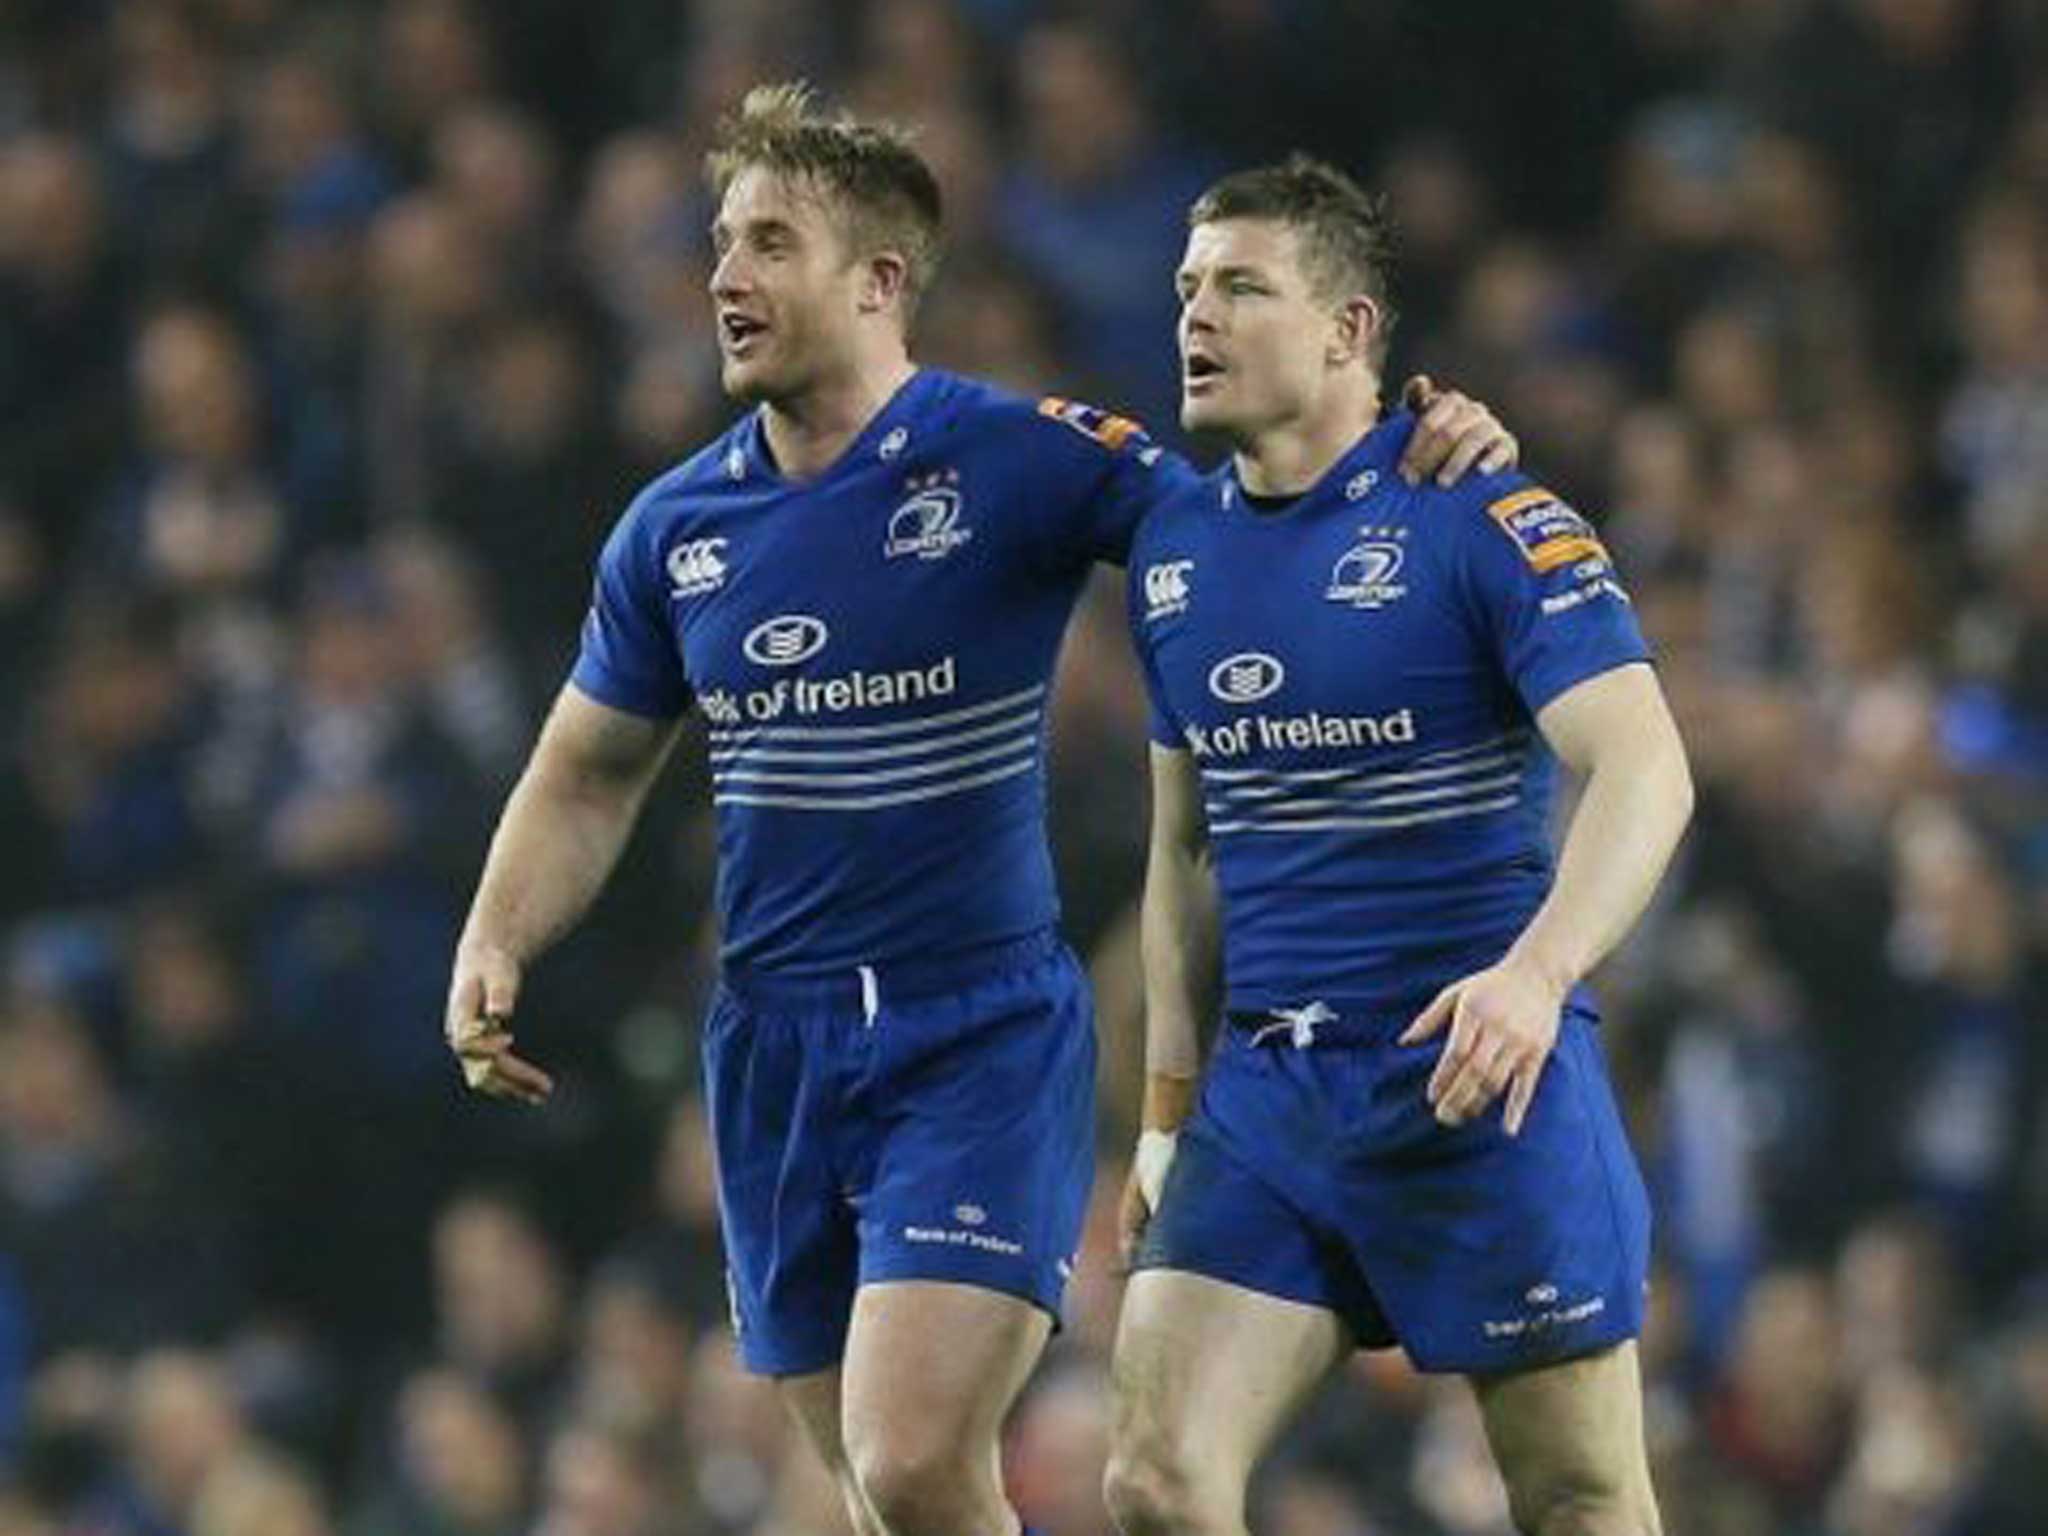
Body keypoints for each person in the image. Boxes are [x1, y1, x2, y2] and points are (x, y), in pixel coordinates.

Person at [443, 86, 1513, 1536]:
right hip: (773, 1045)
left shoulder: (1017, 457)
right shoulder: (675, 531)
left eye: (768, 243)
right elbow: (587, 765)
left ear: (879, 282)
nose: (722, 279)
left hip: (976, 1033)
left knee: (906, 1455)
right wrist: (497, 934)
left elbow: (1255, 508)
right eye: (719, 244)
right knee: (891, 1498)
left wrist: (1413, 450)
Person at [1107, 155, 1693, 1536]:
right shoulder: (1174, 549)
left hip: (1474, 1081)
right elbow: (1184, 851)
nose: (1195, 315)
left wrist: (1537, 976)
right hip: (1269, 1096)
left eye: (1241, 287)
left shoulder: (1482, 516)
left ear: (1349, 330)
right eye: (1188, 286)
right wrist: (1162, 1114)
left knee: (1579, 1495)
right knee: (1155, 1478)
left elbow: (1647, 764)